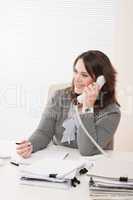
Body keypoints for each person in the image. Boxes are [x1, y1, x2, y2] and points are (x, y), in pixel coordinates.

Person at [16, 50, 121, 158]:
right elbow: (43, 132)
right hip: (60, 162)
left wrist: (87, 107)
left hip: (92, 167)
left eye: (84, 75)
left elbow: (86, 150)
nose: (77, 79)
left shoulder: (111, 112)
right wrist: (30, 146)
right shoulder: (59, 96)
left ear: (101, 81)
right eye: (76, 72)